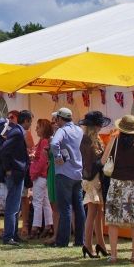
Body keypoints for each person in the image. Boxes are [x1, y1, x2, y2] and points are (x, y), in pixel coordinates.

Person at [102, 115, 134, 263]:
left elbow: (103, 161)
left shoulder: (114, 142)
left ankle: (113, 255)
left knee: (113, 221)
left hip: (117, 184)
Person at [47, 107, 84, 249]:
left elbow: (54, 143)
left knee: (65, 208)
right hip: (77, 172)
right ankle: (80, 239)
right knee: (79, 207)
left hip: (64, 173)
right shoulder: (79, 130)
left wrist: (57, 156)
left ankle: (62, 241)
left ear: (59, 119)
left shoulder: (61, 131)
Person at [78, 111, 111, 258]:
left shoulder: (92, 139)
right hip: (92, 180)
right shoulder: (87, 141)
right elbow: (92, 164)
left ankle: (100, 244)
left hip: (95, 179)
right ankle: (88, 245)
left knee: (99, 213)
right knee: (92, 213)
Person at [0, 110, 32, 246]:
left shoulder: (16, 131)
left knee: (15, 206)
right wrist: (8, 169)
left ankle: (13, 234)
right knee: (12, 206)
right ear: (25, 121)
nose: (30, 124)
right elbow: (4, 150)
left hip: (17, 172)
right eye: (30, 121)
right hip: (14, 173)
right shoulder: (17, 132)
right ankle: (8, 236)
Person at [29, 118, 54, 239]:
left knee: (37, 202)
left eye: (38, 127)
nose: (36, 129)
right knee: (45, 202)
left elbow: (43, 161)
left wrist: (34, 172)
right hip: (45, 176)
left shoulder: (44, 141)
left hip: (40, 175)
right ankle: (48, 225)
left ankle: (35, 227)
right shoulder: (46, 141)